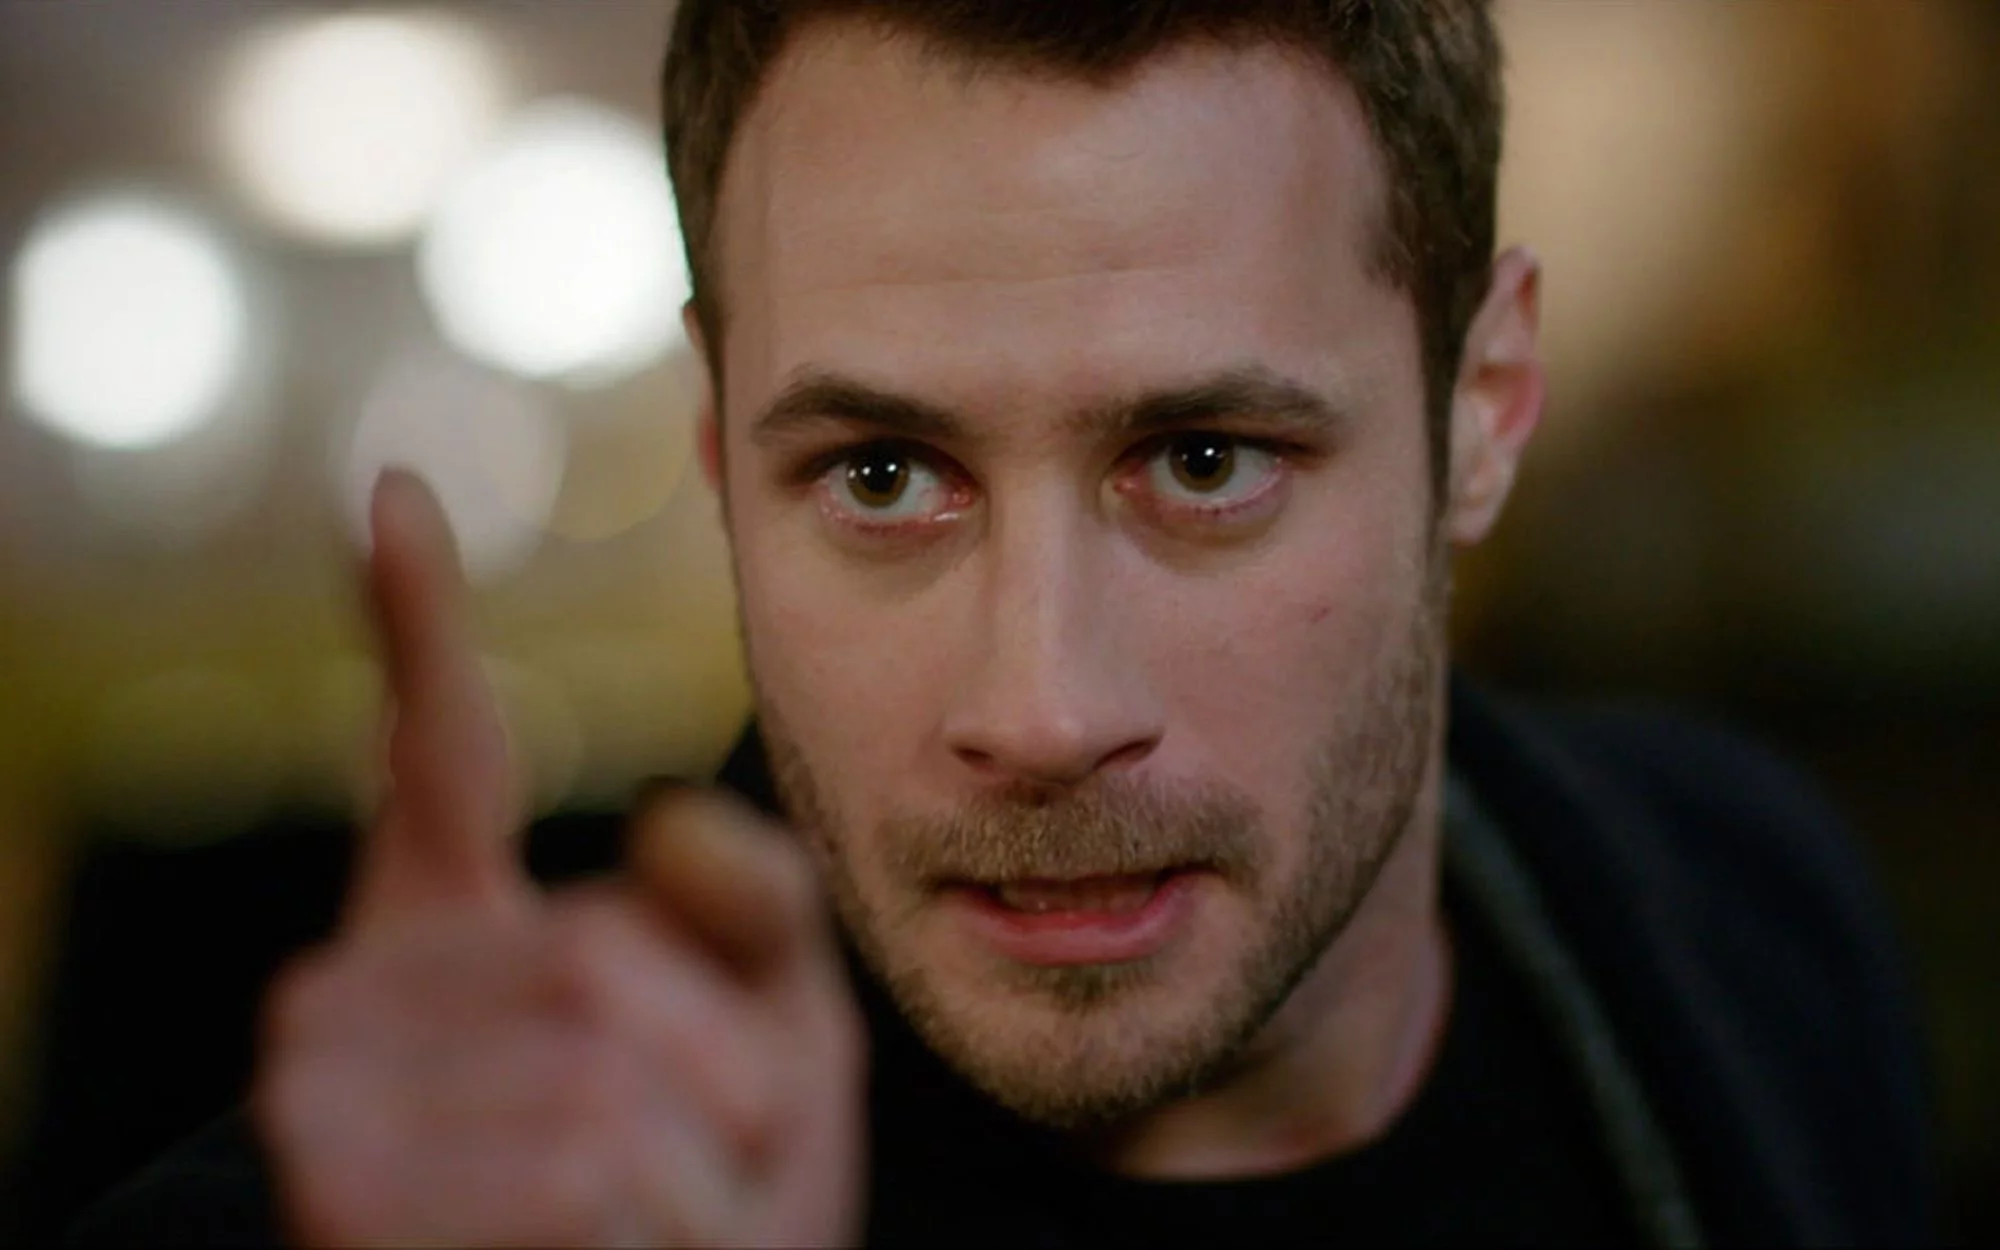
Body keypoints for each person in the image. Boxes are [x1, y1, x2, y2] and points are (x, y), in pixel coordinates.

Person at [72, 1, 1939, 1245]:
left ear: (1485, 409)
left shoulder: (1741, 906)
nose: (1041, 709)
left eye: (1204, 459)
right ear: (717, 446)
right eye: (884, 475)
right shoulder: (459, 1210)